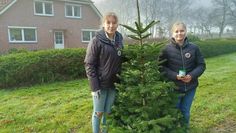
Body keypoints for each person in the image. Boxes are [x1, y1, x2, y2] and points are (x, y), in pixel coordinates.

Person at [159, 22, 206, 127]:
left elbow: (201, 65)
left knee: (185, 112)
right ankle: (175, 129)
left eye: (181, 31)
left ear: (185, 32)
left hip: (190, 87)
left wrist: (192, 76)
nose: (179, 33)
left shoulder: (194, 48)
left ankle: (185, 129)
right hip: (174, 87)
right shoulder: (166, 50)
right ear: (172, 33)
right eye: (176, 31)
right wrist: (175, 76)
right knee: (175, 111)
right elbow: (161, 67)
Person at [84, 12, 123, 133]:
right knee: (98, 112)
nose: (111, 25)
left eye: (114, 23)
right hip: (100, 85)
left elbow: (119, 57)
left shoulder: (119, 39)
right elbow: (89, 64)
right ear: (103, 24)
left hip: (114, 83)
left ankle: (104, 131)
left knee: (108, 112)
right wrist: (94, 87)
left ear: (117, 24)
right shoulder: (96, 41)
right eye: (108, 22)